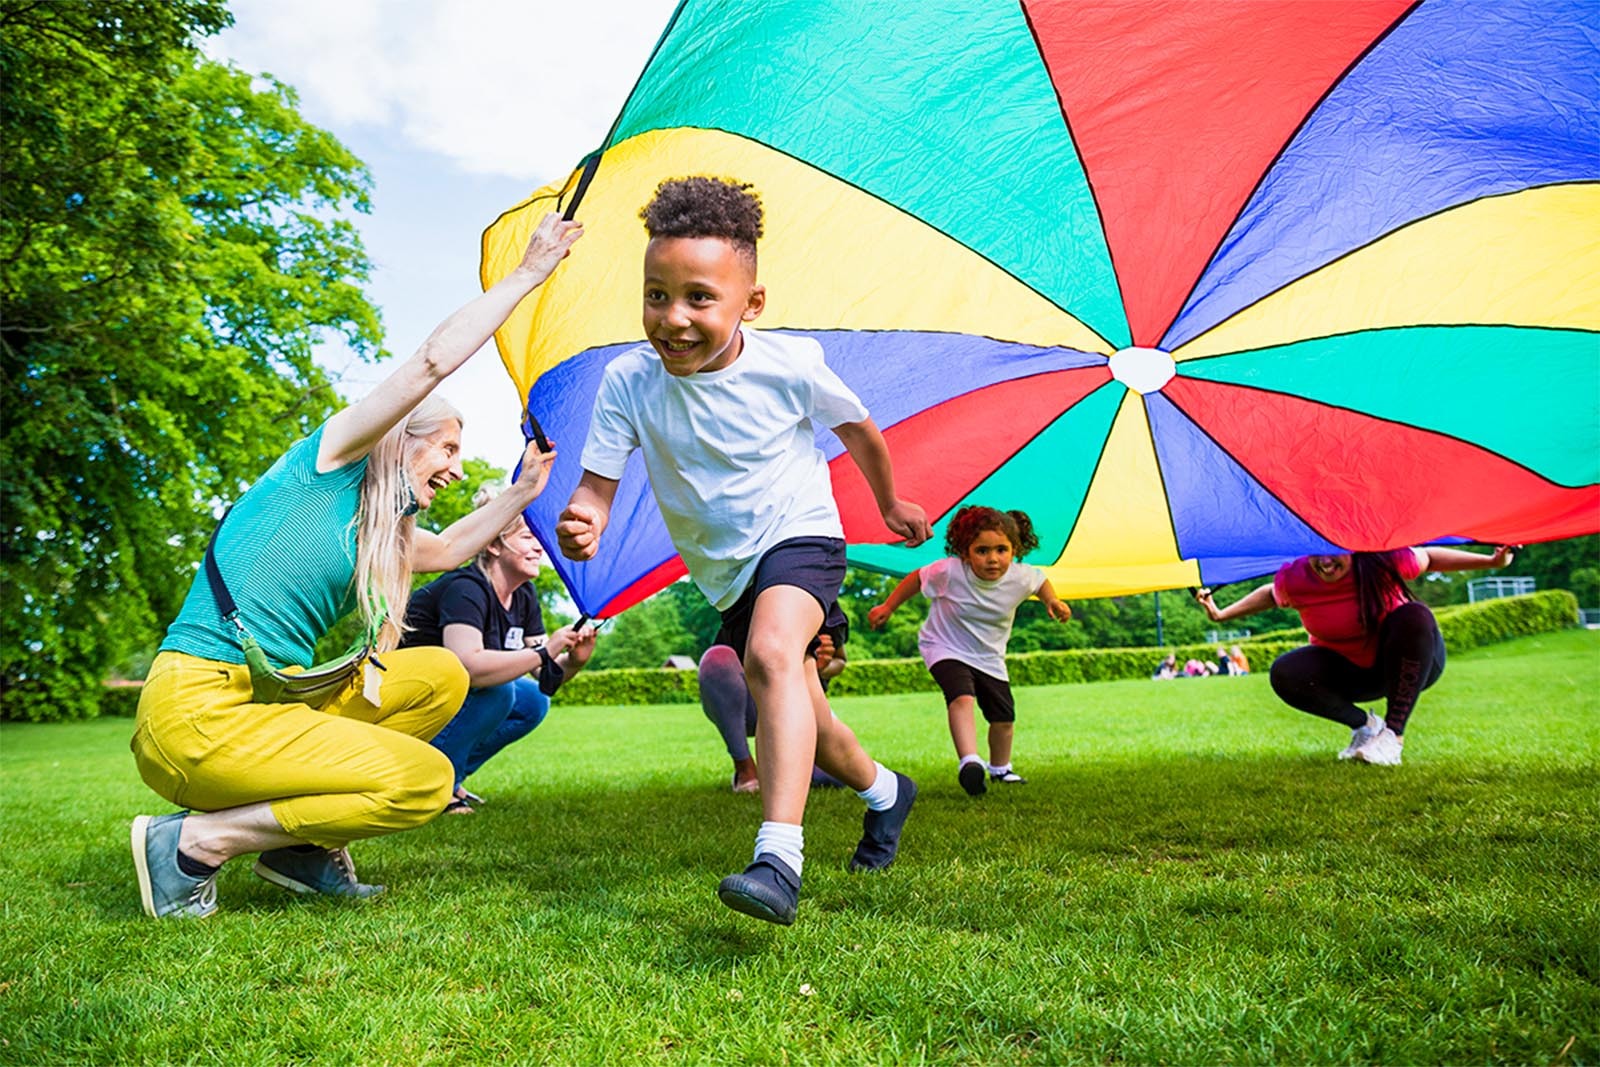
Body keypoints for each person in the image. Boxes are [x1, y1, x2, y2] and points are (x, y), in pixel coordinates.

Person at [128, 213, 583, 919]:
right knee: (424, 781)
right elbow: (432, 360)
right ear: (402, 439)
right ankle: (194, 843)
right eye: (448, 450)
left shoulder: (380, 531)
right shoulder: (328, 464)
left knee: (438, 675)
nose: (458, 470)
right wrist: (528, 275)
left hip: (266, 705)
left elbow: (456, 547)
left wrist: (524, 491)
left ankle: (298, 849)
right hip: (196, 715)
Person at [556, 176, 932, 926]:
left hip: (800, 534)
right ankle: (886, 792)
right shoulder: (629, 382)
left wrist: (889, 502)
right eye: (656, 295)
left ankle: (778, 859)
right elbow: (596, 486)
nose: (674, 318)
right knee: (809, 719)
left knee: (768, 657)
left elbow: (859, 429)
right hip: (726, 571)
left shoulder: (788, 365)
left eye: (699, 297)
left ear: (750, 304)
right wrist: (583, 517)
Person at [1195, 545, 1516, 765]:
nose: (1325, 561)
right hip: (1352, 673)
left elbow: (1429, 558)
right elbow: (1270, 594)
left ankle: (1393, 736)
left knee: (1414, 614)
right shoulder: (1297, 577)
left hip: (1409, 664)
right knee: (1285, 671)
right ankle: (1366, 726)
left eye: (1334, 552)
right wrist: (1221, 615)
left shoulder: (1384, 559)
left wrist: (1492, 562)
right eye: (1315, 553)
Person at [402, 488, 597, 813]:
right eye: (527, 538)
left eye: (539, 538)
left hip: (451, 694)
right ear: (493, 544)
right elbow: (468, 667)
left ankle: (450, 777)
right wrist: (545, 652)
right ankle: (430, 785)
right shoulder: (466, 589)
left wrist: (573, 661)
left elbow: (544, 676)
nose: (539, 547)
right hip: (406, 692)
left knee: (533, 700)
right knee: (499, 691)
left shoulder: (523, 595)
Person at [867, 506, 1071, 796]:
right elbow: (916, 578)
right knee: (961, 697)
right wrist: (888, 606)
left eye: (1002, 550)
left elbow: (1040, 582)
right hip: (943, 646)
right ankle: (970, 762)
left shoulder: (1020, 576)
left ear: (1014, 550)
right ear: (965, 552)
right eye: (982, 551)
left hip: (989, 657)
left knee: (1003, 718)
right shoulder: (949, 571)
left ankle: (1001, 769)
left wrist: (1052, 601)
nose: (993, 559)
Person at [699, 624, 849, 794]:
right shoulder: (742, 604)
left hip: (801, 705)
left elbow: (840, 660)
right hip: (752, 702)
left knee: (834, 775)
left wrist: (820, 666)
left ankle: (788, 762)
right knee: (716, 659)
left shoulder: (829, 610)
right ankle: (745, 768)